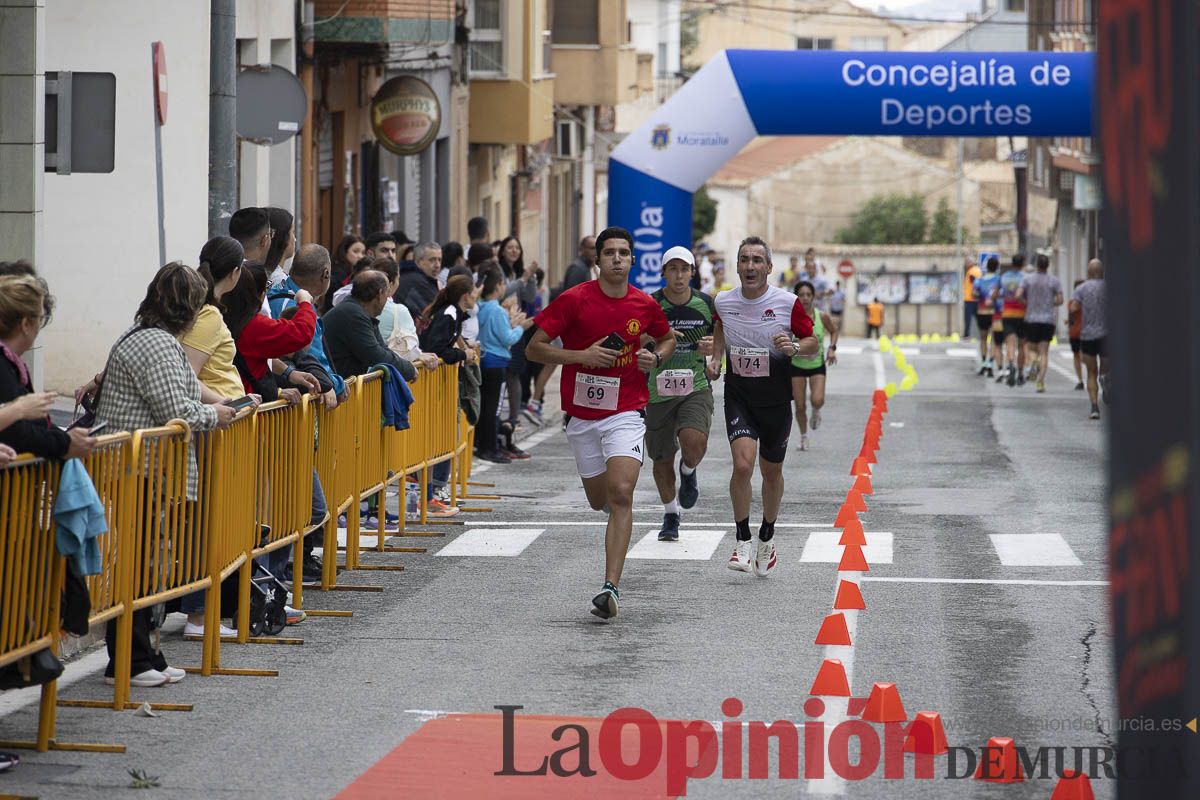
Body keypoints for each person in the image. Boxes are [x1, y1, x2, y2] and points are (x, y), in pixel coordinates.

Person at [94, 263, 236, 688]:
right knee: (138, 567)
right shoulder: (155, 344)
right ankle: (131, 660)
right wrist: (216, 414)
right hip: (139, 469)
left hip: (143, 467)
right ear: (189, 307)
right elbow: (178, 409)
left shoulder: (149, 338)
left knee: (145, 565)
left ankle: (144, 654)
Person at [526, 226, 675, 619]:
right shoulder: (574, 300)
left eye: (623, 253)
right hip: (582, 417)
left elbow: (666, 338)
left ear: (632, 260)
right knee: (599, 500)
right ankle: (612, 518)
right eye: (609, 253)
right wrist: (581, 357)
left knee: (622, 492)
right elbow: (534, 348)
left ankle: (610, 588)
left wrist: (655, 358)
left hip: (626, 410)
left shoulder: (644, 304)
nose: (616, 259)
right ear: (597, 260)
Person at [707, 236, 816, 579]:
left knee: (771, 473)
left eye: (757, 260)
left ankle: (767, 534)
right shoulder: (723, 301)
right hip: (740, 396)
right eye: (744, 260)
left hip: (776, 400)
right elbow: (720, 329)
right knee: (742, 464)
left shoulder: (788, 303)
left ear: (769, 267)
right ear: (737, 266)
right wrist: (715, 359)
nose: (750, 266)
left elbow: (812, 344)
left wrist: (795, 346)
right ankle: (741, 538)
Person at [644, 246, 716, 542]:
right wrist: (656, 337)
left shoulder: (706, 304)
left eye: (684, 269)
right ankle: (670, 513)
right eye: (672, 269)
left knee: (694, 441)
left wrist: (714, 352)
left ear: (692, 272)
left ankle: (688, 470)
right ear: (663, 273)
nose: (678, 275)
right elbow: (634, 336)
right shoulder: (649, 304)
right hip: (657, 390)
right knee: (661, 460)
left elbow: (722, 343)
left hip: (695, 385)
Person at [0, 275, 96, 461]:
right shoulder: (4, 365)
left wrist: (65, 439)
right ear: (26, 324)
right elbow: (18, 432)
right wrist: (65, 443)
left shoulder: (12, 364)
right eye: (40, 319)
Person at [418, 275, 478, 514]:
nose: (476, 297)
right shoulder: (449, 314)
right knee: (434, 441)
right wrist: (464, 355)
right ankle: (429, 496)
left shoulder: (453, 314)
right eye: (474, 292)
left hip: (438, 384)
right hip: (431, 384)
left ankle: (432, 494)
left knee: (442, 439)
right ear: (465, 295)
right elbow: (438, 348)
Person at [476, 269, 534, 463]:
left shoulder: (480, 307)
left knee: (485, 407)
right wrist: (520, 327)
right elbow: (507, 338)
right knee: (494, 409)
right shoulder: (497, 311)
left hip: (483, 360)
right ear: (499, 285)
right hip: (497, 362)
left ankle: (483, 445)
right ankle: (491, 448)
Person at [323, 271, 418, 383]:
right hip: (332, 389)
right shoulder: (353, 314)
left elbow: (383, 349)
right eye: (387, 292)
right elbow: (376, 356)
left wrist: (408, 366)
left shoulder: (359, 311)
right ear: (379, 294)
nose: (388, 297)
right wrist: (409, 370)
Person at [791, 280, 839, 452]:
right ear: (796, 297)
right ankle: (804, 436)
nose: (805, 298)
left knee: (817, 400)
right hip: (796, 365)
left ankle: (816, 411)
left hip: (817, 364)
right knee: (799, 406)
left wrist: (832, 349)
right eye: (801, 295)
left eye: (808, 295)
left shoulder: (821, 316)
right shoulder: (790, 317)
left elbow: (834, 330)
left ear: (813, 297)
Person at [375, 258, 439, 371]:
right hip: (391, 375)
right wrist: (419, 355)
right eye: (398, 278)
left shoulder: (356, 306)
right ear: (391, 283)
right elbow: (411, 348)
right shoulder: (399, 310)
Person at [1017, 253, 1064, 393]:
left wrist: (1026, 303)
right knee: (1044, 351)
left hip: (1031, 318)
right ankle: (1041, 382)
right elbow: (1060, 300)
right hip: (1048, 320)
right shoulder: (1054, 281)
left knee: (1031, 348)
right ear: (1048, 265)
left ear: (1037, 265)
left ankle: (1033, 362)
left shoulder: (1028, 279)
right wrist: (1050, 303)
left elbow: (1018, 295)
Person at [1071, 259, 1106, 419]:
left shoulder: (1081, 288)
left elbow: (1073, 307)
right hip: (1107, 335)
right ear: (1102, 271)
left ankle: (1094, 407)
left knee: (1091, 372)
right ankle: (1106, 382)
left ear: (1089, 272)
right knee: (1106, 368)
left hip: (1088, 335)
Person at [998, 255, 1028, 386]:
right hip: (1022, 314)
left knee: (1009, 342)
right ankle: (1021, 372)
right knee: (1022, 345)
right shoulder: (1025, 278)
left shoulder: (1004, 277)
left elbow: (997, 293)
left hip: (1008, 313)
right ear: (1022, 264)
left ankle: (1011, 364)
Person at [397, 241, 442, 323]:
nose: (437, 265)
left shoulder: (418, 278)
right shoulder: (416, 281)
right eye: (432, 260)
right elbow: (439, 314)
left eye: (439, 260)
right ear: (418, 262)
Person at [972, 256, 1002, 377]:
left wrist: (981, 296)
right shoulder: (999, 280)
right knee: (994, 339)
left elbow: (974, 294)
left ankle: (984, 362)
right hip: (995, 312)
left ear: (986, 266)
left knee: (983, 338)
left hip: (982, 312)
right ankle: (990, 363)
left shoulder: (979, 280)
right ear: (996, 267)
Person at [327, 235, 365, 313]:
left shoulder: (354, 272)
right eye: (355, 251)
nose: (360, 256)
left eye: (363, 252)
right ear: (345, 251)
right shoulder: (337, 274)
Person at [263, 208, 296, 287]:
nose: (295, 239)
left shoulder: (257, 272)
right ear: (283, 237)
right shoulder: (280, 282)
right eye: (293, 232)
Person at [1068, 279, 1085, 390]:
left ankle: (1081, 380)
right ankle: (1080, 379)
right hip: (1079, 332)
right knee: (1079, 356)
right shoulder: (1074, 302)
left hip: (1080, 332)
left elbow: (1071, 316)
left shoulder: (1072, 302)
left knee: (1080, 356)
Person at [962, 256, 982, 338]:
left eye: (966, 262)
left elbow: (975, 282)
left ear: (970, 263)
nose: (965, 264)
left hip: (970, 299)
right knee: (978, 318)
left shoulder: (972, 271)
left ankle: (966, 334)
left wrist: (975, 293)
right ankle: (982, 333)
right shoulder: (978, 270)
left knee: (968, 318)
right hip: (975, 299)